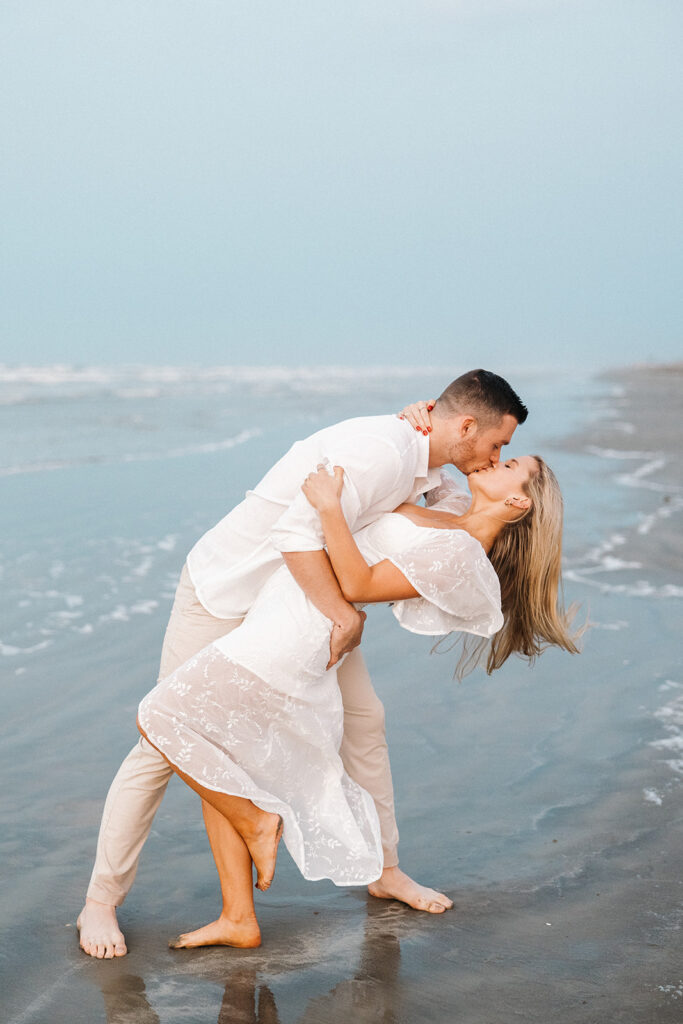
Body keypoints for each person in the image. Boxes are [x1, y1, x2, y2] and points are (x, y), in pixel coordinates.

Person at [78, 369, 528, 959]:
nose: (497, 456)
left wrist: (339, 611)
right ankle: (100, 902)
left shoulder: (419, 460)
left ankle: (383, 869)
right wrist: (342, 616)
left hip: (299, 608)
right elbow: (296, 531)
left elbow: (443, 515)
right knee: (162, 744)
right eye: (497, 444)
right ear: (466, 425)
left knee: (364, 722)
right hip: (230, 594)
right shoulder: (382, 451)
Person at [136, 451, 578, 949]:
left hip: (301, 630)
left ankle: (256, 820)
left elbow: (359, 584)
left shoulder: (462, 554)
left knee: (157, 715)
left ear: (518, 500)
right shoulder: (454, 513)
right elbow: (436, 458)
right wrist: (419, 423)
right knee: (218, 749)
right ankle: (238, 917)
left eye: (509, 464)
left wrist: (327, 507)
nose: (495, 459)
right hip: (282, 609)